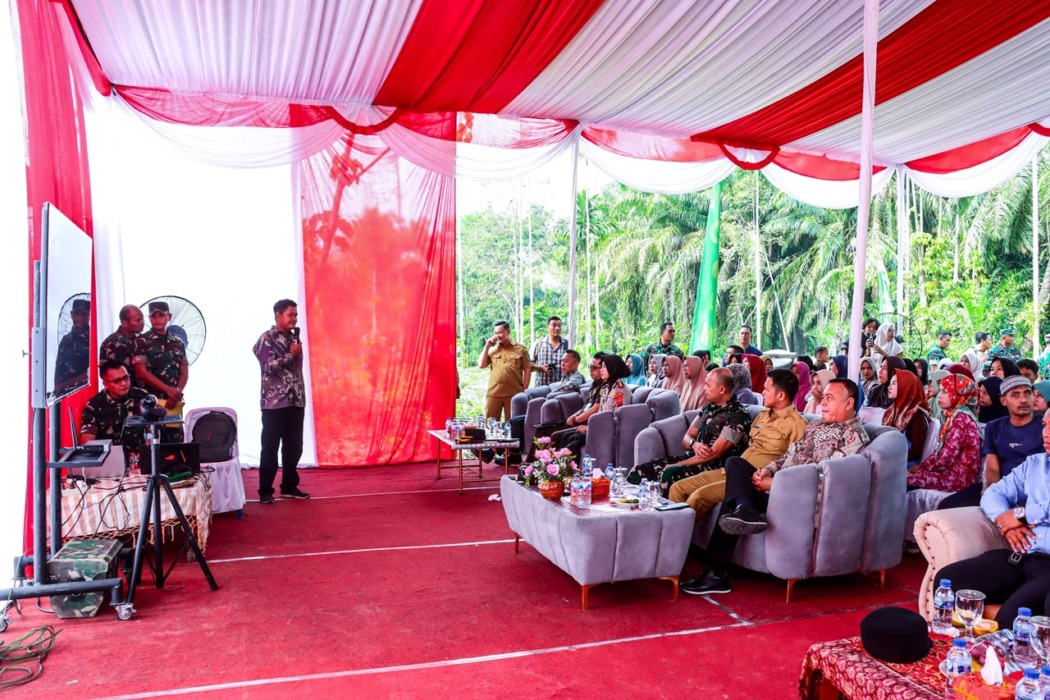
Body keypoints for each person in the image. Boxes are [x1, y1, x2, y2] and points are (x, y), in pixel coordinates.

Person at [682, 379, 869, 595]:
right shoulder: (816, 425)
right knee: (736, 465)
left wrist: (776, 484)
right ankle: (744, 511)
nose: (822, 403)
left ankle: (717, 573)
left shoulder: (852, 436)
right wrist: (768, 471)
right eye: (823, 397)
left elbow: (826, 478)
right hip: (778, 485)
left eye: (829, 398)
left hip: (798, 496)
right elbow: (788, 455)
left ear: (849, 403)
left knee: (732, 498)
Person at [934, 411, 1050, 628]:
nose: (1046, 433)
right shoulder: (1035, 464)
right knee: (949, 582)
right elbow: (993, 494)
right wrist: (1004, 524)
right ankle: (999, 618)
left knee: (1014, 615)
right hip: (1024, 556)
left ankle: (998, 618)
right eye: (1044, 425)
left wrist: (1022, 514)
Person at [668, 369, 806, 521]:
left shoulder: (797, 425)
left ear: (781, 395)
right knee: (678, 487)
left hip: (750, 479)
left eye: (766, 389)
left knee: (699, 496)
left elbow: (796, 464)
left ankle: (676, 541)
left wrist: (769, 479)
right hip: (732, 470)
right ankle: (670, 534)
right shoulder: (763, 415)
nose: (762, 392)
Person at [632, 368, 750, 495]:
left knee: (668, 474)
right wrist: (695, 444)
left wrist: (678, 464)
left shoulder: (738, 416)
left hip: (713, 466)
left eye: (708, 385)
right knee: (639, 471)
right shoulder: (709, 408)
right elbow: (687, 437)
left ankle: (661, 514)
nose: (704, 388)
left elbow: (713, 454)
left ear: (722, 390)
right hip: (692, 458)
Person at [940, 376, 1043, 510]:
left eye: (1027, 393)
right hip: (1000, 485)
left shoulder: (1045, 426)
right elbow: (993, 469)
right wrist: (992, 495)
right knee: (947, 506)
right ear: (1003, 400)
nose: (1023, 399)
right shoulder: (994, 427)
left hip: (1033, 490)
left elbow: (1042, 472)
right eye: (1015, 395)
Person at [253, 299, 309, 503]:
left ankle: (289, 486)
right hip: (274, 403)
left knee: (294, 446)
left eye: (295, 315)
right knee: (270, 447)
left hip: (296, 401)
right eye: (290, 315)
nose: (294, 318)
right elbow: (268, 367)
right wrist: (290, 355)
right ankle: (265, 490)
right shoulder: (266, 339)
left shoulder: (294, 339)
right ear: (278, 315)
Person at [906, 374, 981, 493]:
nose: (939, 396)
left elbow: (946, 458)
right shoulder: (955, 415)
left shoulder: (962, 419)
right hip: (948, 474)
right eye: (940, 391)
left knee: (905, 480)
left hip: (958, 480)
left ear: (959, 394)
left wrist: (921, 471)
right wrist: (921, 468)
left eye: (945, 391)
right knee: (906, 476)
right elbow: (939, 453)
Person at [553, 354, 629, 462]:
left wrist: (591, 428)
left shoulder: (620, 391)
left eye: (604, 367)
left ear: (613, 368)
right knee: (566, 435)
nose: (601, 370)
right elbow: (600, 413)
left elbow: (617, 419)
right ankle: (559, 469)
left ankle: (568, 470)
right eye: (601, 367)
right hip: (599, 428)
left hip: (608, 431)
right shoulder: (607, 388)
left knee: (574, 438)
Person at [133, 301, 188, 441]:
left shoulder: (178, 342)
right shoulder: (141, 342)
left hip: (173, 403)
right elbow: (141, 372)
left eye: (161, 315)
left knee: (175, 445)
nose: (157, 319)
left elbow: (184, 370)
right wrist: (168, 390)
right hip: (151, 404)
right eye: (154, 316)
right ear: (149, 318)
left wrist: (176, 392)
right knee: (152, 445)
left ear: (169, 316)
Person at [80, 360, 151, 469]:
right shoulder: (94, 406)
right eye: (117, 381)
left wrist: (148, 451)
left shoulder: (142, 396)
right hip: (109, 464)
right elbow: (88, 444)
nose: (123, 383)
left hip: (141, 462)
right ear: (106, 384)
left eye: (126, 378)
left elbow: (154, 429)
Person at [478, 320, 531, 420]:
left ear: (508, 332)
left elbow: (527, 369)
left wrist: (524, 389)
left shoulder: (521, 349)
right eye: (496, 333)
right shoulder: (492, 349)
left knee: (512, 425)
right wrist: (487, 345)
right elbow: (481, 365)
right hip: (494, 393)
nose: (498, 335)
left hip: (514, 393)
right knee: (490, 424)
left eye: (501, 332)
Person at [882, 370, 931, 467]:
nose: (889, 387)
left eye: (894, 384)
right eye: (890, 383)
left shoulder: (917, 416)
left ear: (906, 387)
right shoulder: (892, 410)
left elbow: (916, 452)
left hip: (904, 466)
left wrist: (887, 458)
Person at [100, 304, 145, 384]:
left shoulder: (140, 339)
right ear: (125, 323)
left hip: (143, 391)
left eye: (142, 319)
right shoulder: (111, 344)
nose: (142, 323)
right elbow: (106, 374)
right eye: (138, 320)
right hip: (124, 391)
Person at [54, 298, 91, 394]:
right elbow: (58, 367)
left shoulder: (93, 338)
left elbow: (88, 374)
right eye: (77, 313)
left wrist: (61, 386)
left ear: (89, 316)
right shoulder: (65, 339)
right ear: (71, 314)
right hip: (61, 396)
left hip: (81, 393)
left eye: (84, 314)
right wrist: (56, 389)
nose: (80, 317)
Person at [529, 316, 568, 387]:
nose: (557, 328)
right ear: (547, 327)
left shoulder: (566, 344)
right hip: (541, 389)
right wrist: (541, 368)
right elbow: (528, 365)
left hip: (561, 388)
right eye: (554, 325)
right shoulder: (538, 344)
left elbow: (573, 366)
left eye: (559, 326)